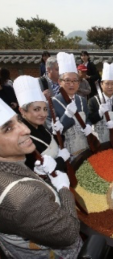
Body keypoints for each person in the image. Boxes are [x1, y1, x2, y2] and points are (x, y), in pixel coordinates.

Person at [0, 98, 82, 258]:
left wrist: (40, 176)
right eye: (8, 129)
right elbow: (69, 232)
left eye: (18, 122)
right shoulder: (25, 198)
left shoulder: (10, 166)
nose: (25, 130)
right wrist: (63, 189)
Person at [13, 75, 70, 173]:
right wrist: (61, 159)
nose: (43, 114)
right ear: (22, 111)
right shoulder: (22, 139)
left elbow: (49, 144)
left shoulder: (39, 126)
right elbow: (39, 169)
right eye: (36, 109)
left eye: (45, 109)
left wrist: (57, 134)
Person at [47, 52, 93, 159]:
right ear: (59, 82)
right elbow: (52, 131)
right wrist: (67, 115)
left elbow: (88, 119)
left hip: (84, 150)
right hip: (65, 155)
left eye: (75, 81)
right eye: (67, 80)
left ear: (79, 82)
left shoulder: (82, 100)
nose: (71, 84)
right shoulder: (51, 103)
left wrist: (89, 126)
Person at [88, 63, 113, 143]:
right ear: (101, 84)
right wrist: (99, 113)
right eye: (107, 83)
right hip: (100, 140)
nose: (110, 87)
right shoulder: (93, 100)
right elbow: (90, 119)